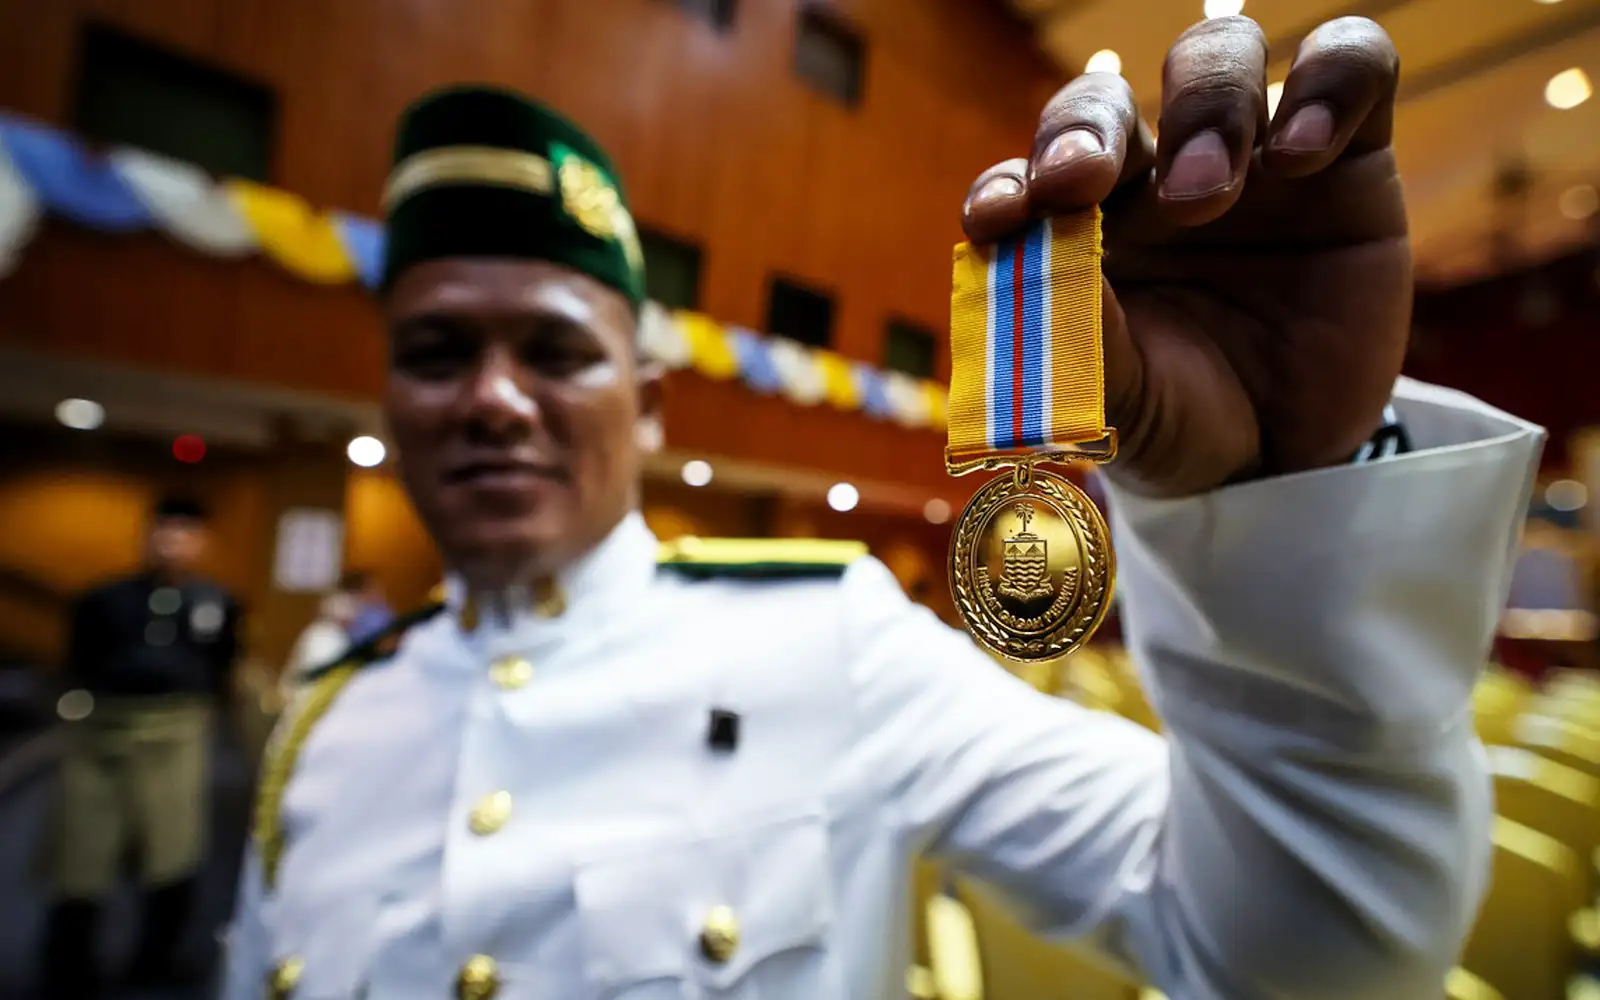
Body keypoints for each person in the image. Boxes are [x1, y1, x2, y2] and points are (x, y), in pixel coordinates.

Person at [223, 16, 1543, 1000]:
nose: (495, 401)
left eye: (558, 351)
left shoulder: (830, 641)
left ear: (652, 401)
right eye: (438, 352)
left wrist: (1274, 491)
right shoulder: (319, 727)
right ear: (388, 397)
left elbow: (1309, 960)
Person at [41, 495, 243, 1000]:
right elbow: (78, 659)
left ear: (202, 542)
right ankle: (68, 964)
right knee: (83, 848)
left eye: (185, 532)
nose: (173, 542)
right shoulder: (105, 598)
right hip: (105, 729)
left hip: (177, 731)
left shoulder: (216, 602)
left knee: (173, 847)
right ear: (148, 535)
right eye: (164, 530)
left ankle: (156, 960)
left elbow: (224, 665)